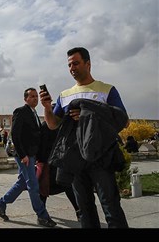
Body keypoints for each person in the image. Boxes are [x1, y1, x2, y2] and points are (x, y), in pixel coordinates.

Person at [40, 46, 129, 228]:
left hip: (101, 158)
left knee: (111, 206)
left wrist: (88, 115)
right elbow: (52, 125)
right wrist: (47, 107)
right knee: (85, 209)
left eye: (76, 63)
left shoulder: (106, 90)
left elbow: (123, 120)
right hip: (75, 160)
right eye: (69, 64)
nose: (72, 68)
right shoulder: (64, 96)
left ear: (88, 64)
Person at [0, 88, 57, 227]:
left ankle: (1, 204)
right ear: (25, 99)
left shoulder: (33, 113)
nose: (35, 98)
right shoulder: (20, 111)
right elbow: (15, 134)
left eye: (36, 96)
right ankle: (42, 216)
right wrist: (23, 155)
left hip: (31, 154)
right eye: (32, 96)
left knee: (22, 182)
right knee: (33, 185)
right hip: (24, 155)